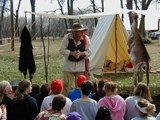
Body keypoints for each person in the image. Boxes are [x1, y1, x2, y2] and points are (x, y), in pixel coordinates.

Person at [60, 22, 91, 96]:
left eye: (78, 32)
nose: (77, 34)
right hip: (69, 66)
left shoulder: (86, 38)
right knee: (67, 86)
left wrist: (81, 53)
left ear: (82, 31)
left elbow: (89, 51)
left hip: (80, 66)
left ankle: (79, 101)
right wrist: (71, 53)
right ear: (72, 31)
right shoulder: (67, 38)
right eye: (75, 32)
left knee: (80, 86)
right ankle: (66, 101)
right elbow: (61, 50)